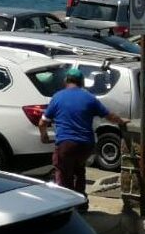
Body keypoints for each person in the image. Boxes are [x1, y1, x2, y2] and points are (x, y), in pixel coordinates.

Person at [37, 68, 128, 207]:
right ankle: (81, 203)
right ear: (82, 82)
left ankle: (65, 205)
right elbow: (109, 116)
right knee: (79, 170)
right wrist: (122, 121)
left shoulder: (57, 97)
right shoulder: (90, 98)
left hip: (65, 144)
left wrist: (43, 136)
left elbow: (42, 122)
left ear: (66, 80)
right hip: (86, 145)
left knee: (63, 173)